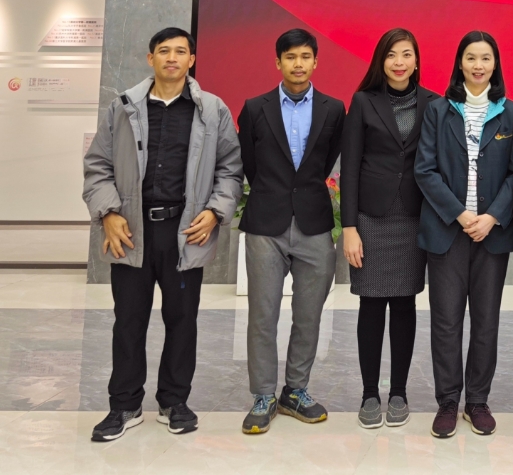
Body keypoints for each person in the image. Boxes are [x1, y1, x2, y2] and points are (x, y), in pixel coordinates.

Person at [83, 27, 242, 442]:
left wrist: (215, 211)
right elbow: (98, 165)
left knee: (182, 319)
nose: (172, 58)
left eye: (181, 51)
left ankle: (174, 401)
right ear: (150, 57)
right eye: (164, 51)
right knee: (128, 320)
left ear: (192, 60)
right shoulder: (123, 107)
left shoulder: (212, 110)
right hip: (131, 229)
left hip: (186, 230)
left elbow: (230, 168)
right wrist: (109, 213)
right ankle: (124, 405)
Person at [237, 29, 346, 434]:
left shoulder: (334, 110)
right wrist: (274, 194)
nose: (298, 64)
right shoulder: (254, 108)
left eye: (305, 57)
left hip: (315, 224)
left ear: (316, 61)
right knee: (262, 315)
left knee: (309, 315)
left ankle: (295, 390)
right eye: (290, 57)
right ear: (278, 62)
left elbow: (326, 161)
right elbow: (250, 163)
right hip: (266, 224)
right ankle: (263, 395)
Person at [415, 31, 513, 439]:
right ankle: (447, 401)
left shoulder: (511, 113)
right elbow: (425, 170)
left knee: (486, 321)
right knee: (446, 321)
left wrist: (491, 217)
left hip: (491, 234)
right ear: (460, 63)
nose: (479, 65)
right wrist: (462, 215)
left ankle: (477, 401)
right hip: (448, 231)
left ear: (495, 64)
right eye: (471, 58)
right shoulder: (438, 110)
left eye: (486, 58)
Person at [340, 28, 438, 429]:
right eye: (392, 55)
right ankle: (369, 393)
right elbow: (349, 167)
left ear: (416, 60)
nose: (399, 62)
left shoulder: (434, 103)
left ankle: (398, 392)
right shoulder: (364, 101)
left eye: (406, 54)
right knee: (371, 304)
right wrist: (349, 227)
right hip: (370, 218)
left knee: (404, 304)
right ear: (381, 60)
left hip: (415, 217)